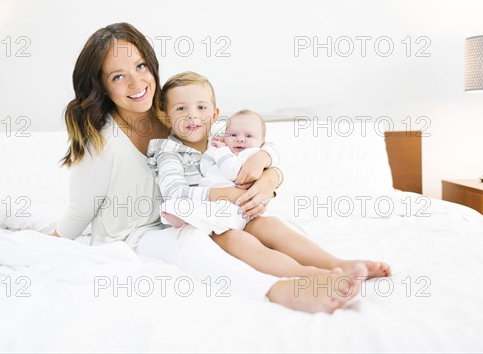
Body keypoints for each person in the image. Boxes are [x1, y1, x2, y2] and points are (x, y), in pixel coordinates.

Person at [54, 22, 366, 314]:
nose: (137, 82)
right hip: (133, 233)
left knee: (265, 225)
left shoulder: (172, 114)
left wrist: (269, 177)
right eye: (118, 76)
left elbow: (245, 139)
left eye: (141, 66)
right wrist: (50, 240)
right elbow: (79, 212)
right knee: (193, 240)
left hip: (194, 214)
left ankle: (336, 265)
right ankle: (282, 289)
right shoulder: (101, 142)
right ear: (102, 86)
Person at [147, 71, 392, 279]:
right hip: (202, 223)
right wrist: (231, 194)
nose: (192, 115)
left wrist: (265, 165)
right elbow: (175, 194)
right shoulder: (169, 152)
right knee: (237, 241)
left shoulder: (226, 138)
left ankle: (338, 263)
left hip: (239, 213)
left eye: (201, 107)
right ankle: (309, 275)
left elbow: (266, 147)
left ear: (214, 113)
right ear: (166, 117)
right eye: (181, 108)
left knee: (271, 225)